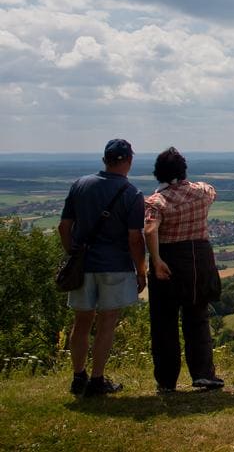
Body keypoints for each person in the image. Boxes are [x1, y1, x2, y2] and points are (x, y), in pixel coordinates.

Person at [58, 139, 147, 397]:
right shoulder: (132, 194)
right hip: (115, 267)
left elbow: (64, 227)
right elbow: (134, 238)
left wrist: (73, 254)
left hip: (83, 265)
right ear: (129, 161)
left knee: (81, 321)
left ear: (104, 160)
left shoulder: (80, 185)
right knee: (107, 323)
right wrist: (141, 270)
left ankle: (78, 377)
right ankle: (97, 380)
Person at [144, 147, 223, 392]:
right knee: (197, 316)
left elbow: (149, 230)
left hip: (169, 258)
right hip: (199, 258)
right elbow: (212, 191)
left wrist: (156, 261)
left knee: (164, 322)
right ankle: (203, 374)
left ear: (159, 173)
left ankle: (167, 382)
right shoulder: (201, 192)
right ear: (183, 170)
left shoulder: (156, 201)